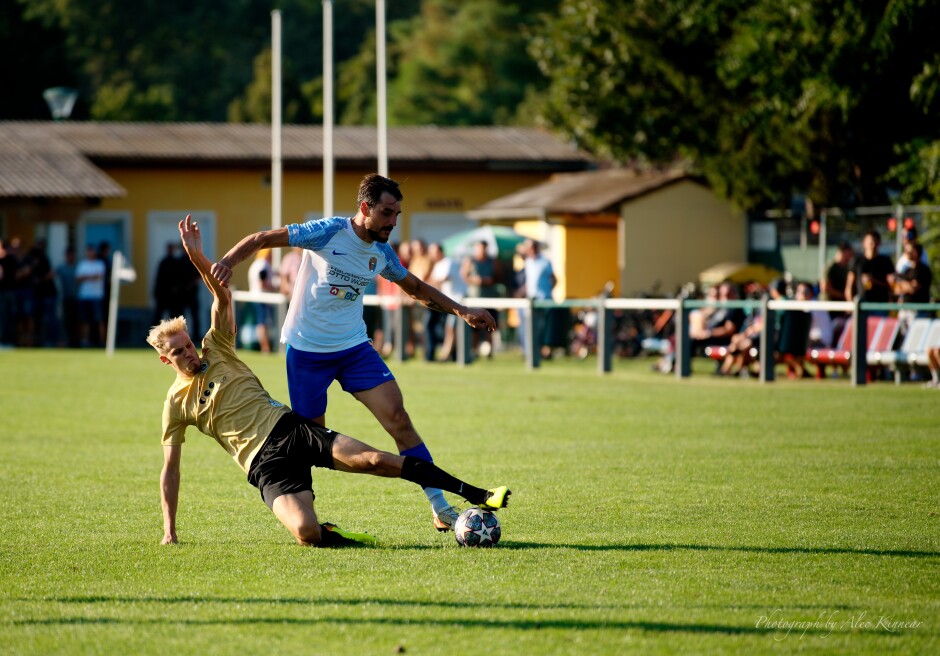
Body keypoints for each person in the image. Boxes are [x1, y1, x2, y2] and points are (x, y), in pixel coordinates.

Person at [151, 215, 510, 547]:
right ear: (167, 360)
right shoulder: (175, 403)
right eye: (180, 352)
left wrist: (199, 257)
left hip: (296, 417)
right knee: (306, 533)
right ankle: (327, 528)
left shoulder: (217, 349)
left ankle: (463, 497)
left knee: (385, 442)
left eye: (189, 345)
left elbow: (221, 295)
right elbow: (171, 468)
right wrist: (169, 530)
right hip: (276, 432)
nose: (191, 353)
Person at [210, 174, 496, 532]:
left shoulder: (382, 252)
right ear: (365, 208)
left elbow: (416, 288)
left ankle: (439, 505)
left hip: (354, 349)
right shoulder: (326, 232)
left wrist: (462, 310)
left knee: (399, 420)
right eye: (388, 213)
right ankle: (310, 520)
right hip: (307, 354)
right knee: (312, 445)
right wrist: (227, 261)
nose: (394, 221)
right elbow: (262, 238)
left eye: (398, 214)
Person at [517, 239, 558, 359]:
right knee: (530, 327)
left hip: (544, 300)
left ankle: (543, 352)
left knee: (542, 328)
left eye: (533, 247)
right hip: (531, 300)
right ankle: (531, 352)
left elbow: (554, 280)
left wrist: (547, 292)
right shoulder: (528, 261)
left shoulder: (545, 261)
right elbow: (519, 251)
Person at [461, 240, 502, 358]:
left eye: (484, 248)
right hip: (474, 299)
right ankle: (474, 351)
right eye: (480, 248)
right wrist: (475, 280)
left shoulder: (493, 261)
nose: (482, 250)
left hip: (489, 298)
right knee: (474, 327)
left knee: (491, 325)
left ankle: (490, 352)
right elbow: (464, 276)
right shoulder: (470, 260)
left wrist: (490, 280)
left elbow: (499, 276)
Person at [845, 231, 895, 311]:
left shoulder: (885, 262)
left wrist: (874, 281)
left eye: (875, 241)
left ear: (879, 243)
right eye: (870, 242)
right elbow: (849, 286)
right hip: (861, 307)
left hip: (880, 306)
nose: (872, 245)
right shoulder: (856, 261)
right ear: (864, 243)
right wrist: (851, 306)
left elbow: (892, 286)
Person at [76, 244, 106, 347]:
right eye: (88, 251)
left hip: (97, 296)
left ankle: (102, 341)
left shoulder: (100, 264)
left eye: (91, 251)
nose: (90, 253)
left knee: (99, 319)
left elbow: (98, 277)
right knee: (84, 320)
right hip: (84, 296)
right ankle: (84, 341)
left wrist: (85, 277)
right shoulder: (82, 264)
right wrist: (90, 277)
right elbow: (78, 278)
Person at [247, 249, 276, 353]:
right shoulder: (263, 265)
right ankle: (265, 347)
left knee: (261, 322)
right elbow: (262, 282)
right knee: (263, 323)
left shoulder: (255, 264)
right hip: (262, 297)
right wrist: (274, 287)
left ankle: (265, 346)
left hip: (255, 296)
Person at [56, 246, 81, 347]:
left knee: (77, 321)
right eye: (68, 255)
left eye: (72, 255)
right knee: (66, 320)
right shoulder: (61, 268)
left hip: (78, 298)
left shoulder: (79, 267)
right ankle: (67, 341)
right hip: (66, 298)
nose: (70, 257)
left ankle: (77, 342)